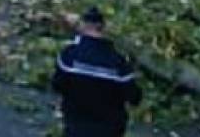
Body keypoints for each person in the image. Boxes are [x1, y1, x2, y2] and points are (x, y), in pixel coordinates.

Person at [51, 8, 143, 137]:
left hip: (76, 125)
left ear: (83, 26)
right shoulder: (118, 62)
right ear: (103, 28)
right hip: (109, 128)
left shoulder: (69, 55)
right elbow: (134, 97)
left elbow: (57, 85)